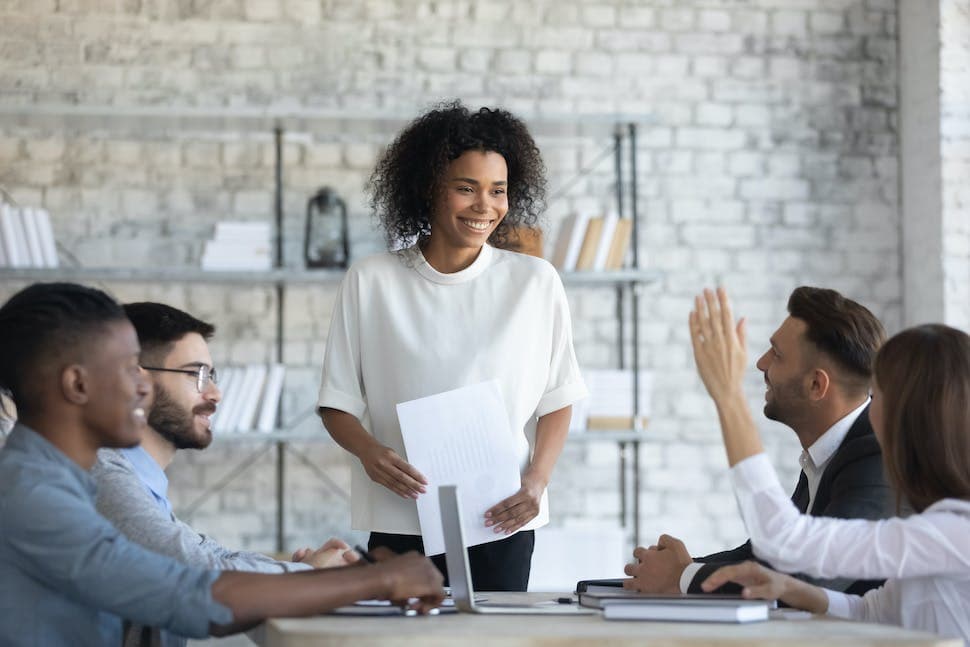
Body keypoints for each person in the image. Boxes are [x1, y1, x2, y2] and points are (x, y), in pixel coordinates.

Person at [0, 282, 444, 647]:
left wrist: (353, 580)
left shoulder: (58, 481)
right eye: (127, 370)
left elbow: (188, 581)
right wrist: (376, 581)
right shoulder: (33, 495)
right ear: (77, 383)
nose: (142, 388)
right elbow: (188, 595)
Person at [317, 101, 587, 591]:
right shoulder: (371, 280)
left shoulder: (535, 282)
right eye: (466, 188)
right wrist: (370, 453)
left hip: (502, 515)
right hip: (402, 515)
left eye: (497, 191)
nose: (485, 205)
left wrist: (537, 481)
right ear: (428, 189)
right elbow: (336, 402)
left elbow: (560, 397)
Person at [691, 287, 970, 642]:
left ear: (908, 417)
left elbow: (783, 540)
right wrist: (793, 590)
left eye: (878, 393)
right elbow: (869, 611)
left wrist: (728, 396)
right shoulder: (941, 526)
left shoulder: (954, 533)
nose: (870, 405)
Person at [91, 302, 358, 647]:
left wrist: (305, 571)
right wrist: (309, 575)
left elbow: (210, 554)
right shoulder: (104, 477)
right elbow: (197, 573)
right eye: (196, 374)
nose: (215, 394)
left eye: (211, 376)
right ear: (136, 382)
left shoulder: (136, 480)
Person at [625, 286, 892, 596]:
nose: (761, 364)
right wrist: (675, 569)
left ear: (816, 384)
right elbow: (766, 555)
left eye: (776, 354)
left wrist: (684, 576)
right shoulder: (829, 452)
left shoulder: (876, 458)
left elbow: (806, 579)